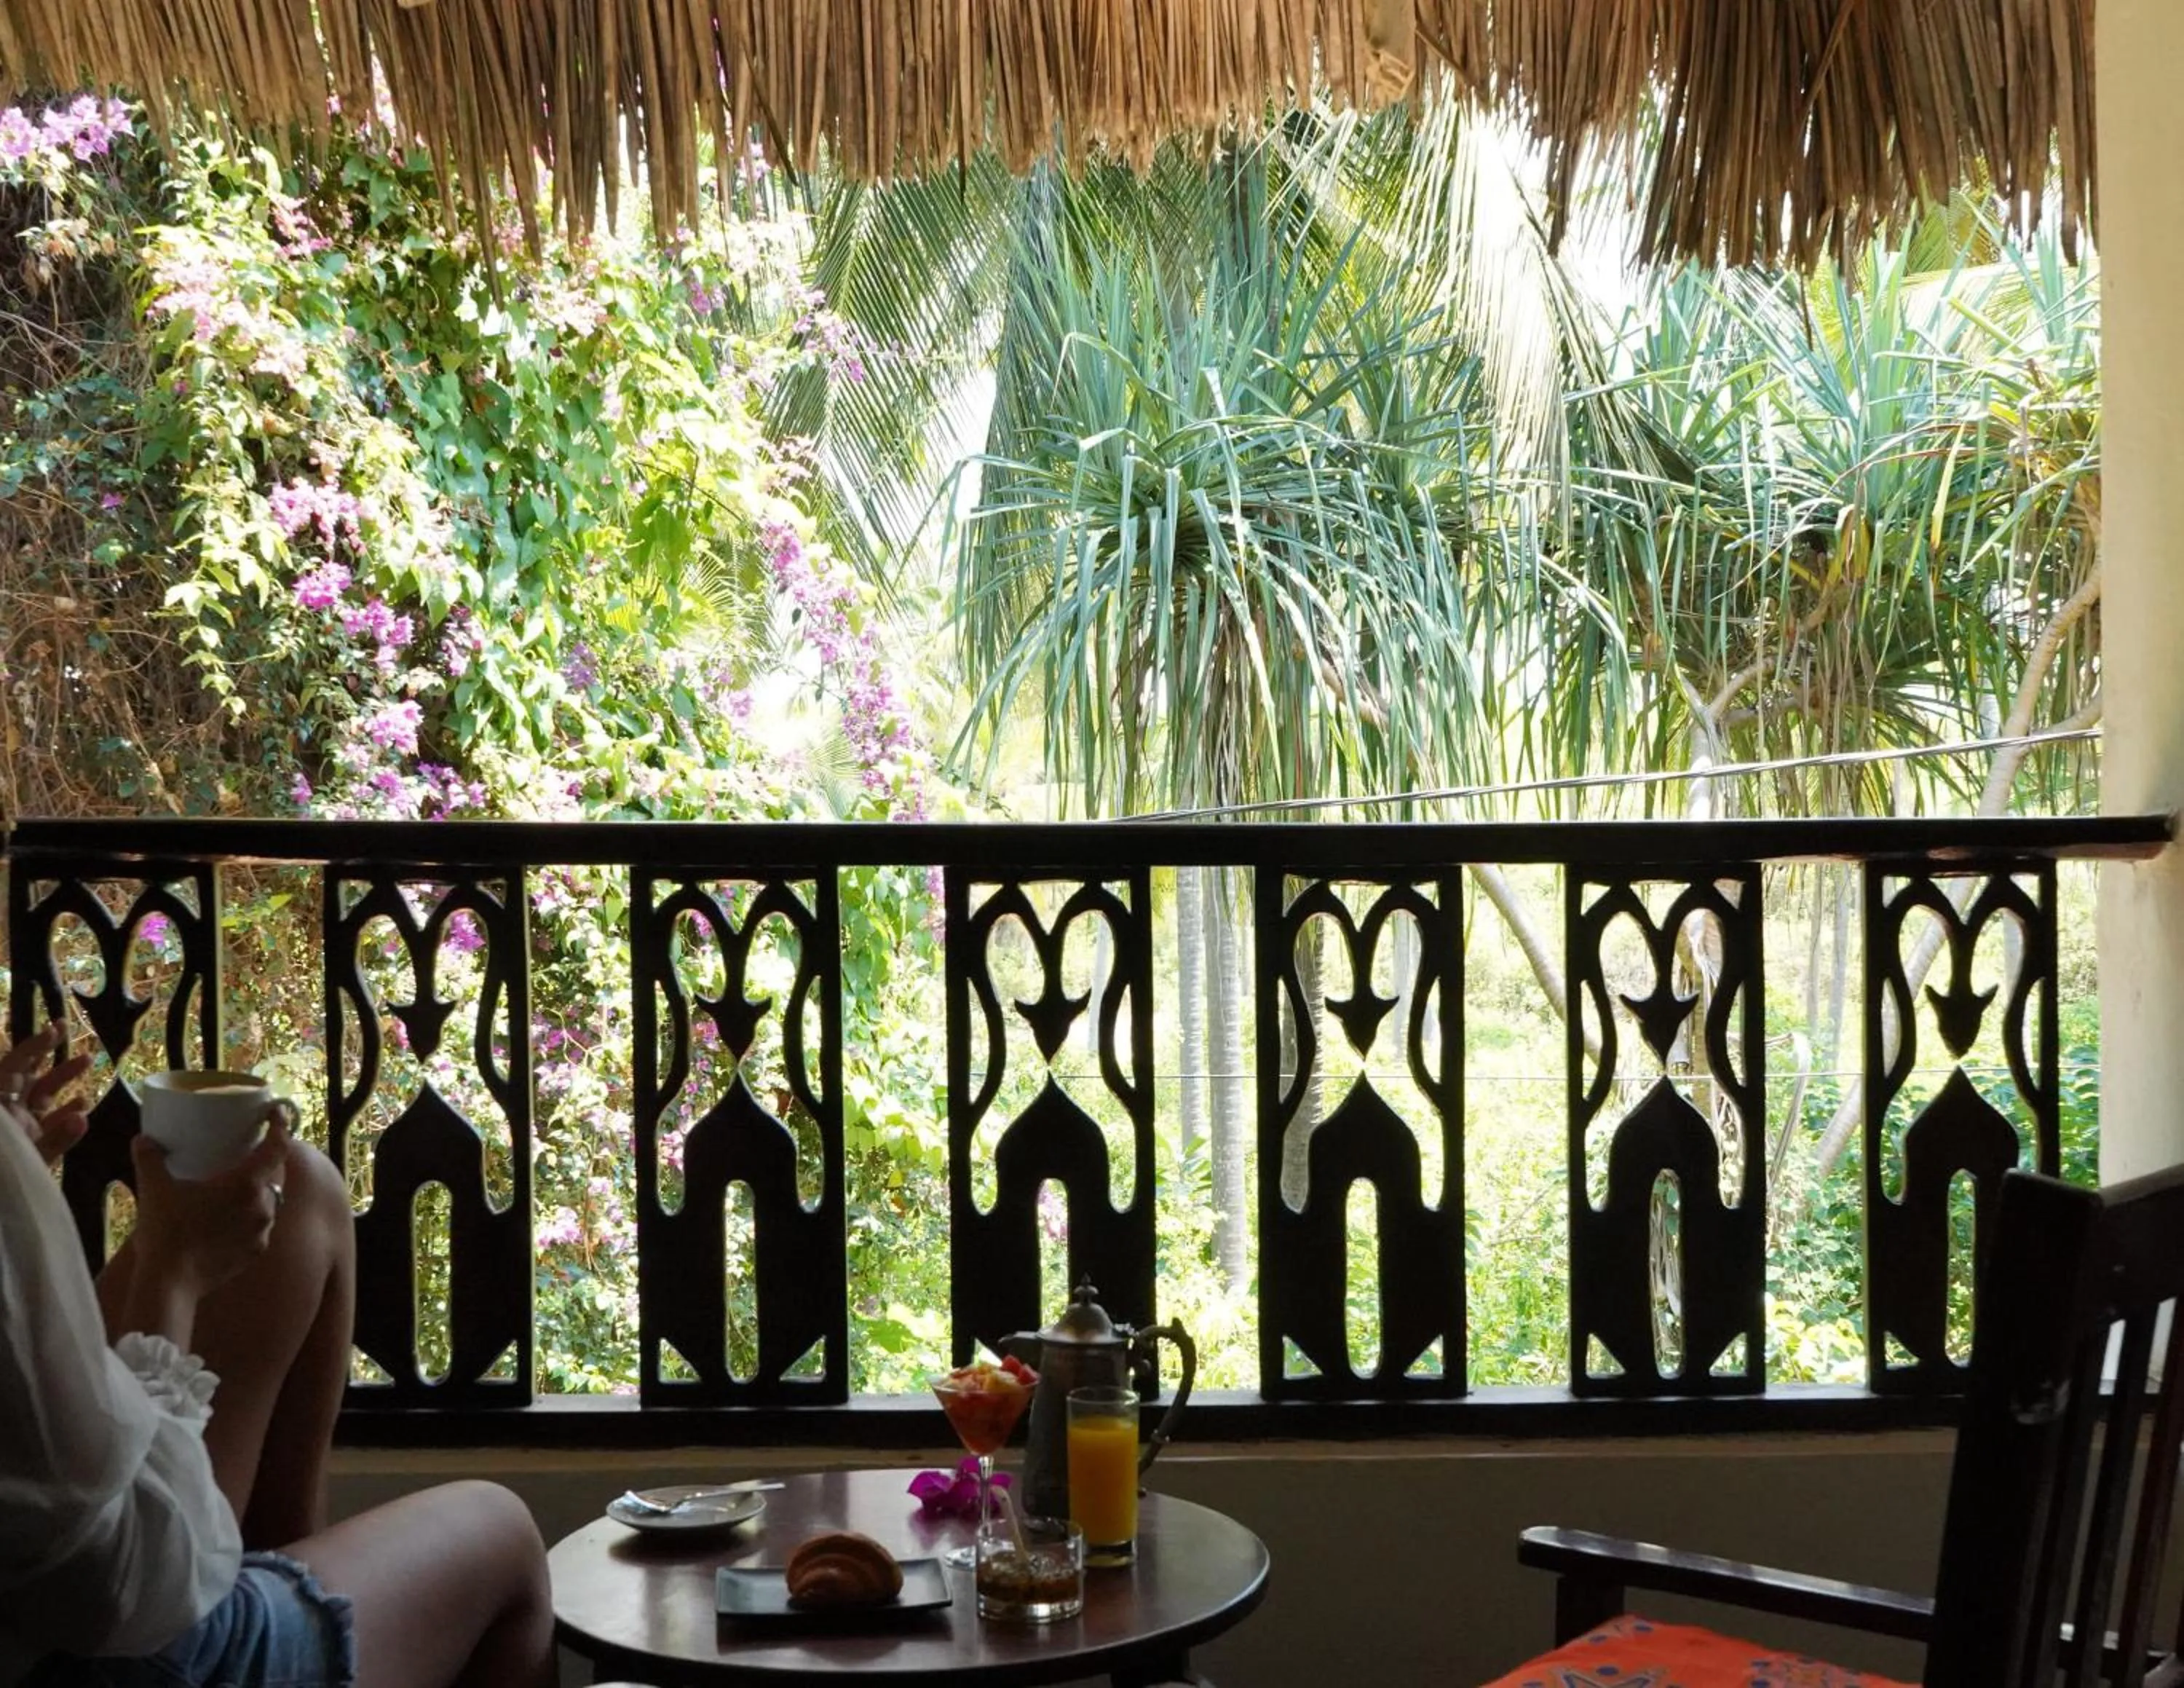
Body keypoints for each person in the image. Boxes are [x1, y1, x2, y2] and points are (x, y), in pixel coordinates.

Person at [0, 1025, 558, 1688]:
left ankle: (289, 1596)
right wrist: (172, 1273)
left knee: (299, 1186)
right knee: (502, 1534)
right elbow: (128, 1588)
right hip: (85, 1647)